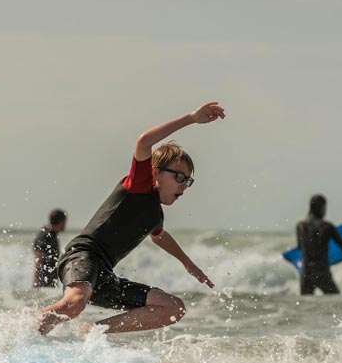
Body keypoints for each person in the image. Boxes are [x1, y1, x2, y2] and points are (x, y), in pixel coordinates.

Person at [36, 102, 225, 335]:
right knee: (75, 302)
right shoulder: (139, 186)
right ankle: (21, 330)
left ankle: (89, 332)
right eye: (179, 177)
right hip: (83, 256)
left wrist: (189, 264)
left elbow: (160, 236)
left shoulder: (155, 214)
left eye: (188, 180)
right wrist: (191, 118)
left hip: (104, 276)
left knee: (173, 308)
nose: (184, 185)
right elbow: (144, 141)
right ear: (155, 172)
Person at [296, 194, 342, 295]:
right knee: (336, 304)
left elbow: (300, 247)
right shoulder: (326, 226)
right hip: (322, 273)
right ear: (322, 207)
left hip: (306, 273)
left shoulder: (300, 226)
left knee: (304, 307)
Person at [33, 209, 67, 288]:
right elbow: (37, 259)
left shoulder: (52, 234)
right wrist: (36, 282)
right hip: (43, 281)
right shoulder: (44, 235)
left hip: (50, 281)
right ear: (61, 221)